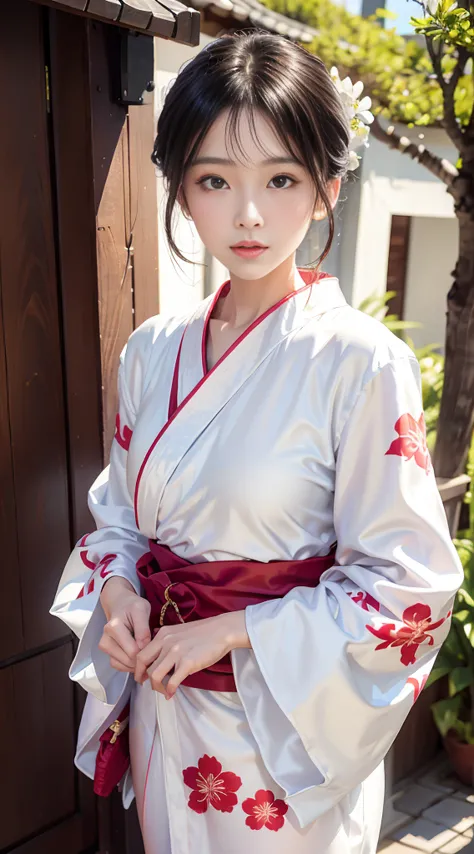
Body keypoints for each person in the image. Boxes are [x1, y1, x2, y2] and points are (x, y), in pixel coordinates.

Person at [50, 32, 462, 854]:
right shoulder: (152, 351)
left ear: (326, 188)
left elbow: (408, 586)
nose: (246, 213)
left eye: (281, 179)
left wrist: (235, 630)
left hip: (282, 735)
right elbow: (122, 525)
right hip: (165, 711)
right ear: (181, 189)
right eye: (213, 180)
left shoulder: (358, 360)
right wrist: (123, 596)